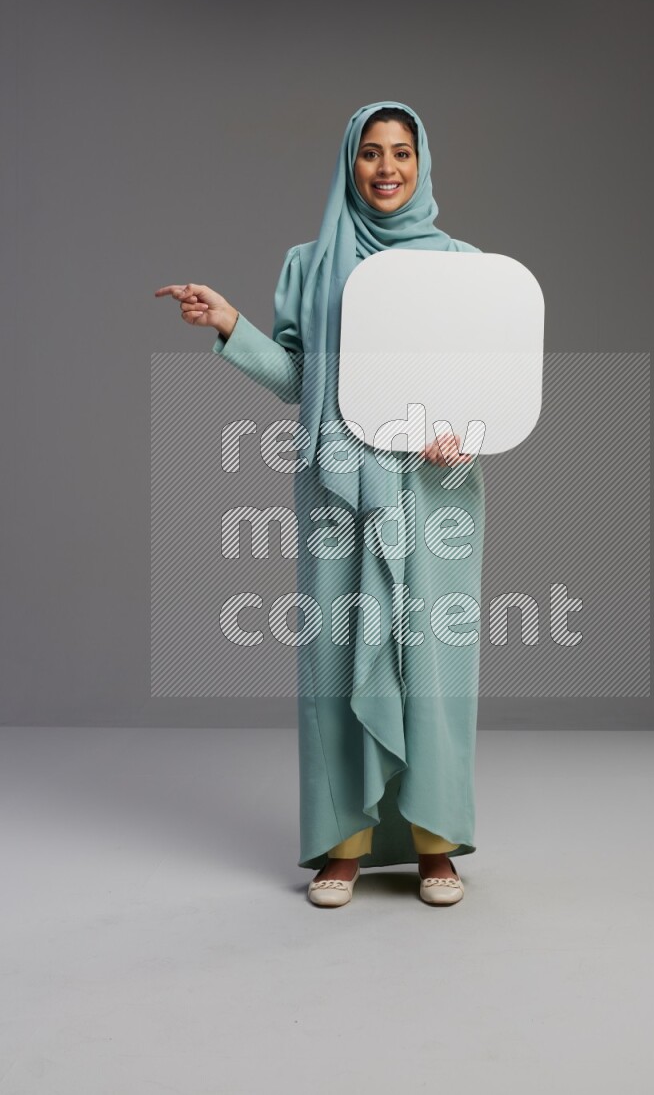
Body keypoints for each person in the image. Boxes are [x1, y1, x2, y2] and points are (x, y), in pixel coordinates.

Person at [155, 101, 486, 908]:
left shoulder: (462, 265)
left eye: (401, 153)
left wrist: (464, 433)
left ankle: (436, 843)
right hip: (338, 486)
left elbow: (485, 382)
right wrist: (230, 323)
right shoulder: (310, 264)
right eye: (370, 153)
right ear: (350, 162)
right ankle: (344, 844)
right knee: (336, 663)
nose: (385, 169)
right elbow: (302, 382)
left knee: (433, 664)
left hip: (435, 490)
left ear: (422, 162)